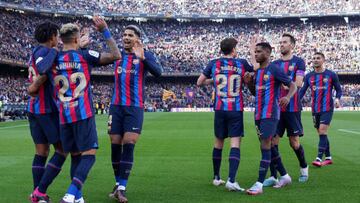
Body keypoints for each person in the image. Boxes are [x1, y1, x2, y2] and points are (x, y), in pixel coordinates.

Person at [108, 25, 162, 203]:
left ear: (138, 38)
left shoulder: (145, 54)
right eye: (124, 34)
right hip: (116, 107)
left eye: (130, 35)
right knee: (115, 145)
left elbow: (158, 72)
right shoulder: (117, 55)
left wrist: (143, 58)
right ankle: (118, 184)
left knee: (128, 142)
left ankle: (122, 187)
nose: (126, 37)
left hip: (134, 107)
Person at [197, 37, 256, 191]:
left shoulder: (213, 63)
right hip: (235, 109)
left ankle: (216, 177)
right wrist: (252, 49)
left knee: (218, 143)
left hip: (219, 108)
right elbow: (255, 68)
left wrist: (214, 81)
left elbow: (199, 82)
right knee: (235, 143)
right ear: (234, 49)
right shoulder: (241, 63)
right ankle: (231, 179)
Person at [246, 42, 297, 195]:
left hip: (270, 114)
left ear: (268, 53)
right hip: (258, 115)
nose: (256, 54)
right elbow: (256, 93)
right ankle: (285, 176)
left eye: (259, 52)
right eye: (255, 52)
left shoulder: (274, 68)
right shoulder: (257, 73)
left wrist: (288, 97)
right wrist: (248, 84)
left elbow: (292, 84)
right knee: (270, 146)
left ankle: (259, 183)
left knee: (265, 145)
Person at [27, 21, 67, 203]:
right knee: (62, 149)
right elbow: (43, 68)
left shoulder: (34, 53)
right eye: (57, 36)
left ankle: (38, 196)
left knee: (41, 152)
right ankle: (40, 191)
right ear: (52, 37)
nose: (58, 40)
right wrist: (55, 51)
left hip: (34, 108)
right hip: (46, 109)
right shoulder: (44, 52)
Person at [263, 34, 308, 186]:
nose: (281, 45)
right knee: (271, 142)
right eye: (280, 42)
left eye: (285, 42)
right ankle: (274, 176)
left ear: (292, 46)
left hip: (292, 108)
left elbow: (299, 83)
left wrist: (285, 83)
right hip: (276, 109)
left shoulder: (299, 62)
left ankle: (304, 167)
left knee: (294, 143)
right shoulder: (274, 64)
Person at [299, 52, 342, 167]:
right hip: (315, 109)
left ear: (323, 60)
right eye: (314, 58)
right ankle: (328, 157)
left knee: (322, 131)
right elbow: (303, 91)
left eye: (318, 58)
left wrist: (337, 99)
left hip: (327, 107)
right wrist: (295, 101)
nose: (315, 60)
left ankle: (319, 158)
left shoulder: (331, 74)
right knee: (321, 133)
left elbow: (339, 89)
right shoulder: (309, 76)